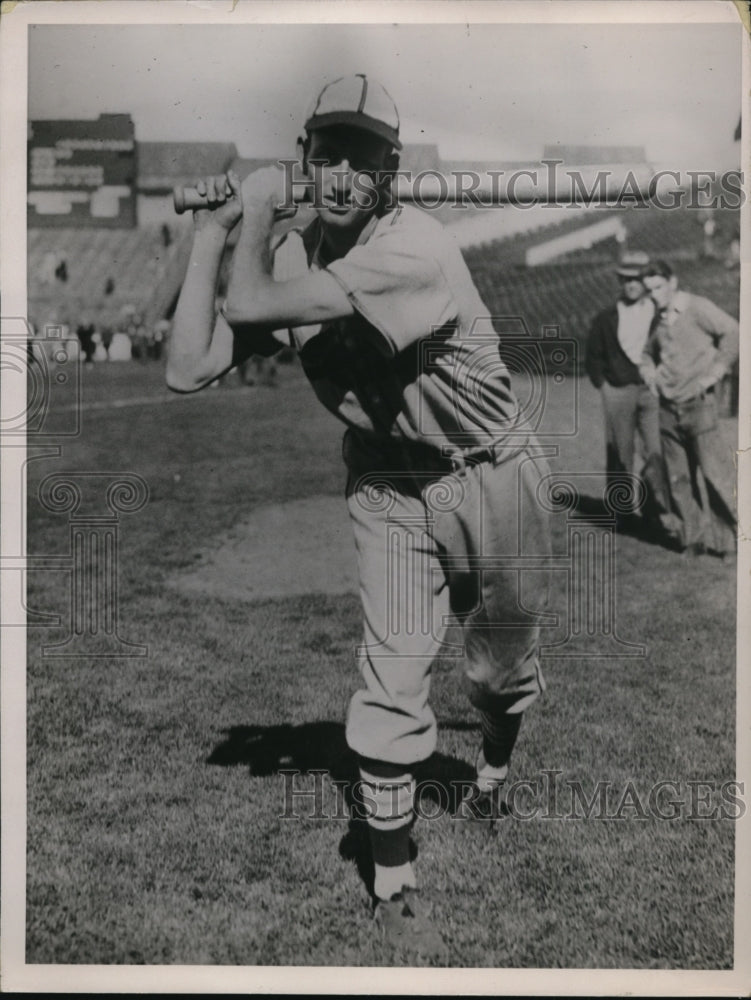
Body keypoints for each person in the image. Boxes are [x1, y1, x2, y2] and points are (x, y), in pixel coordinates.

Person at [166, 74, 552, 959]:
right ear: (306, 158)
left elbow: (252, 303)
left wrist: (256, 212)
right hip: (386, 480)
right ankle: (392, 880)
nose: (340, 176)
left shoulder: (414, 247)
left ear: (391, 169)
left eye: (363, 158)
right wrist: (205, 238)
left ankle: (492, 762)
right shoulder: (295, 253)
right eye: (326, 154)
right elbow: (187, 366)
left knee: (498, 675)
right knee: (392, 676)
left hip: (487, 469)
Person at [639, 259, 739, 558]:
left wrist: (716, 372)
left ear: (672, 282)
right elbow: (646, 354)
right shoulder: (658, 319)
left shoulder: (697, 307)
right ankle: (691, 540)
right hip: (668, 410)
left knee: (714, 475)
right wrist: (651, 375)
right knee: (678, 479)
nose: (654, 295)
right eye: (649, 290)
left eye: (658, 287)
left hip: (699, 406)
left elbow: (734, 332)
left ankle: (730, 542)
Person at [586, 250, 667, 533]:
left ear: (647, 281)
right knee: (621, 454)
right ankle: (620, 513)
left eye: (638, 279)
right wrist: (604, 386)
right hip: (618, 391)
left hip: (651, 391)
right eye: (626, 280)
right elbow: (593, 357)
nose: (632, 285)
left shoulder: (659, 313)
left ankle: (655, 510)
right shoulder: (606, 317)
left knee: (656, 451)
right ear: (620, 281)